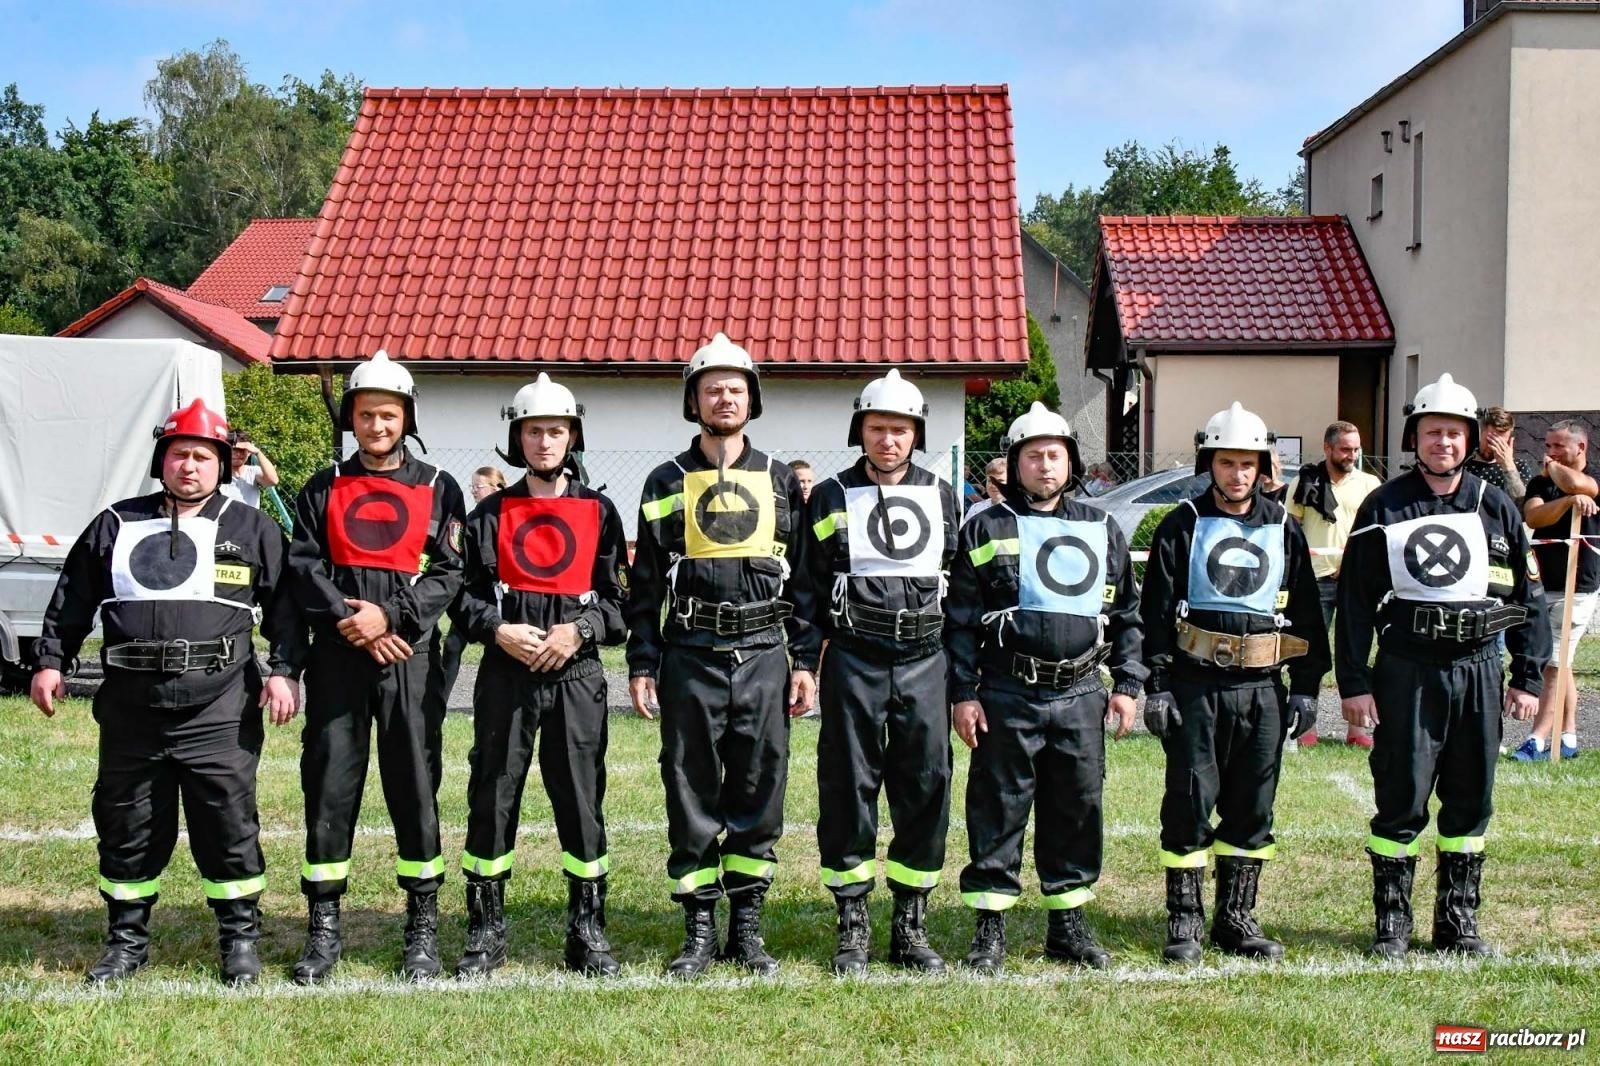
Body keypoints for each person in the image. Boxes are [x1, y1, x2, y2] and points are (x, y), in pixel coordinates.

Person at [30, 399, 303, 986]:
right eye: (180, 454)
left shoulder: (251, 528)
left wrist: (284, 670)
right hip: (132, 709)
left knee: (227, 822)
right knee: (127, 821)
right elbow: (72, 596)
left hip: (221, 707)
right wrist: (51, 661)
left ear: (223, 465)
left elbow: (286, 608)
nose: (190, 466)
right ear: (162, 460)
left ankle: (239, 941)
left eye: (204, 456)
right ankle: (126, 942)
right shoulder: (114, 523)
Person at [625, 333, 820, 978]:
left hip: (764, 653)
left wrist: (804, 660)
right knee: (690, 786)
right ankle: (699, 926)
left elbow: (805, 582)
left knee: (761, 784)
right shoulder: (664, 480)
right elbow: (645, 585)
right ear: (694, 401)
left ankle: (747, 925)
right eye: (712, 389)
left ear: (752, 399)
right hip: (690, 654)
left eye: (736, 389)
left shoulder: (782, 481)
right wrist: (643, 663)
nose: (725, 398)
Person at [1336, 373, 1548, 958]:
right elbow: (1354, 604)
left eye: (1455, 433)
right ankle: (1393, 924)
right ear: (1415, 437)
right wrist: (1353, 683)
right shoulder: (1384, 505)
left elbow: (1527, 599)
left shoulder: (1496, 506)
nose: (1444, 443)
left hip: (1480, 670)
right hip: (1408, 671)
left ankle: (1458, 923)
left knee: (1470, 797)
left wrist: (1528, 676)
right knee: (1401, 795)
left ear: (1471, 439)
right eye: (1433, 432)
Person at [286, 349, 467, 983]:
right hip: (338, 659)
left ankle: (422, 928)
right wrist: (351, 620)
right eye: (366, 415)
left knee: (414, 786)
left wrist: (389, 617)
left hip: (407, 659)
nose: (377, 426)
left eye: (388, 415)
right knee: (329, 787)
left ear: (406, 417)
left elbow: (450, 572)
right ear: (351, 418)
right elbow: (302, 566)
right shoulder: (322, 486)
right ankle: (323, 928)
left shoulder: (439, 485)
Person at [948, 403, 1145, 973]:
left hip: (1081, 693)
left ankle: (1068, 926)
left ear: (1071, 462)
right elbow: (960, 621)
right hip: (1007, 694)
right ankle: (989, 929)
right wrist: (963, 693)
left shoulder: (1101, 527)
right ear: (1014, 464)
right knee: (998, 808)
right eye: (1033, 456)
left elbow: (1127, 614)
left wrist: (1127, 683)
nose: (1045, 465)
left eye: (1054, 455)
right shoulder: (984, 528)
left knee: (1077, 809)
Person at [452, 375, 629, 977]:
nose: (545, 441)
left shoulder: (599, 511)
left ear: (572, 436)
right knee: (492, 794)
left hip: (577, 676)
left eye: (556, 431)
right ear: (517, 438)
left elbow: (620, 601)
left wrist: (579, 630)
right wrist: (497, 629)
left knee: (581, 799)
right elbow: (463, 597)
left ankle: (587, 929)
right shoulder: (488, 515)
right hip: (506, 675)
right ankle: (485, 929)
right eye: (534, 431)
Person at [1140, 403, 1328, 964]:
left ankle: (1236, 919)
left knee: (1253, 804)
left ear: (1262, 466)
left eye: (1248, 464)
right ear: (1210, 464)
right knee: (1189, 801)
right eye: (1227, 463)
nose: (1238, 474)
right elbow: (1154, 612)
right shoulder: (1181, 525)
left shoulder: (1283, 527)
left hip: (1263, 688)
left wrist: (1306, 687)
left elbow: (1307, 615)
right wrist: (1157, 684)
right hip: (1195, 686)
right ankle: (1185, 922)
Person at [805, 369, 958, 974]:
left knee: (926, 784)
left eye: (900, 429)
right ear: (859, 430)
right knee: (848, 785)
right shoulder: (829, 496)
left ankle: (911, 923)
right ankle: (852, 920)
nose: (888, 440)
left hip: (925, 660)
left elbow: (959, 585)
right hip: (854, 658)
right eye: (877, 429)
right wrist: (804, 660)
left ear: (916, 434)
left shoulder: (942, 494)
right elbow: (809, 584)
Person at [1287, 421, 1383, 748]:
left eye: (1356, 449)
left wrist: (1357, 564)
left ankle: (1358, 731)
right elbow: (1291, 532)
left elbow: (1377, 534)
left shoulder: (1370, 484)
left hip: (1357, 583)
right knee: (1310, 656)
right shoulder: (1304, 482)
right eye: (1345, 449)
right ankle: (1305, 727)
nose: (1351, 455)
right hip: (1314, 582)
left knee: (1355, 654)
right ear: (1327, 448)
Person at [1513, 419, 1598, 761]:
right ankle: (1569, 737)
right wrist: (1568, 502)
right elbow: (1534, 518)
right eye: (1547, 446)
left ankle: (1536, 739)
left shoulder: (1594, 477)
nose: (1549, 453)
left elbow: (1580, 484)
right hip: (1540, 583)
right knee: (1562, 665)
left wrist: (1565, 481)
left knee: (1553, 663)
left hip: (1577, 586)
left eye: (1558, 446)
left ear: (1581, 447)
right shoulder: (1540, 483)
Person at [426, 466, 506, 721]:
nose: (473, 491)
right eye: (472, 486)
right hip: (472, 599)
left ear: (496, 487)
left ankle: (488, 708)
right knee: (452, 646)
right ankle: (441, 705)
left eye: (478, 486)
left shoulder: (505, 517)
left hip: (499, 599)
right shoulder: (471, 519)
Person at [1463, 406, 1535, 505]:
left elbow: (1522, 505)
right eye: (1490, 441)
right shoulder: (1464, 464)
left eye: (1501, 443)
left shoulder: (1519, 467)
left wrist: (1509, 468)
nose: (1494, 448)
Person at [219, 431, 281, 509]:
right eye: (233, 449)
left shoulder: (253, 472)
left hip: (250, 516)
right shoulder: (218, 473)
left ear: (249, 453)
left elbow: (273, 481)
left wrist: (258, 452)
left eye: (242, 450)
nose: (237, 454)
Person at [962, 458, 1009, 525]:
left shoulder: (1018, 510)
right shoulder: (976, 509)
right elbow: (974, 498)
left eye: (1000, 481)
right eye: (990, 481)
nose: (993, 485)